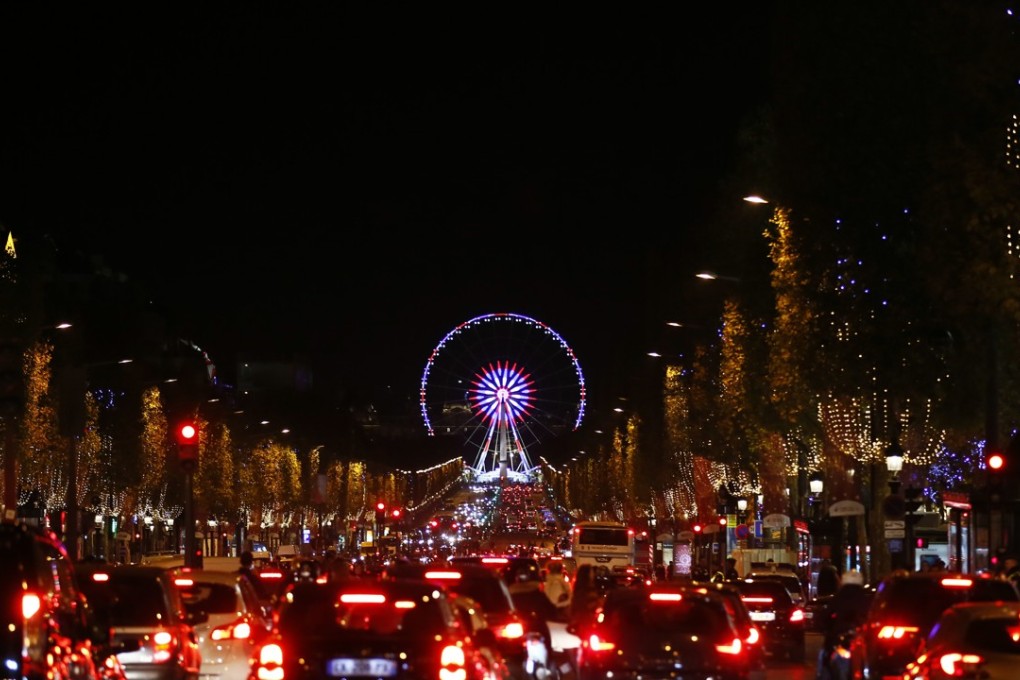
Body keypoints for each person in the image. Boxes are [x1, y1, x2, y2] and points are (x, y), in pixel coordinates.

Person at [818, 569, 870, 679]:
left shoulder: (838, 598)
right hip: (857, 640)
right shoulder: (866, 599)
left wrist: (826, 628)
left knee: (824, 658)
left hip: (839, 638)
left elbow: (825, 617)